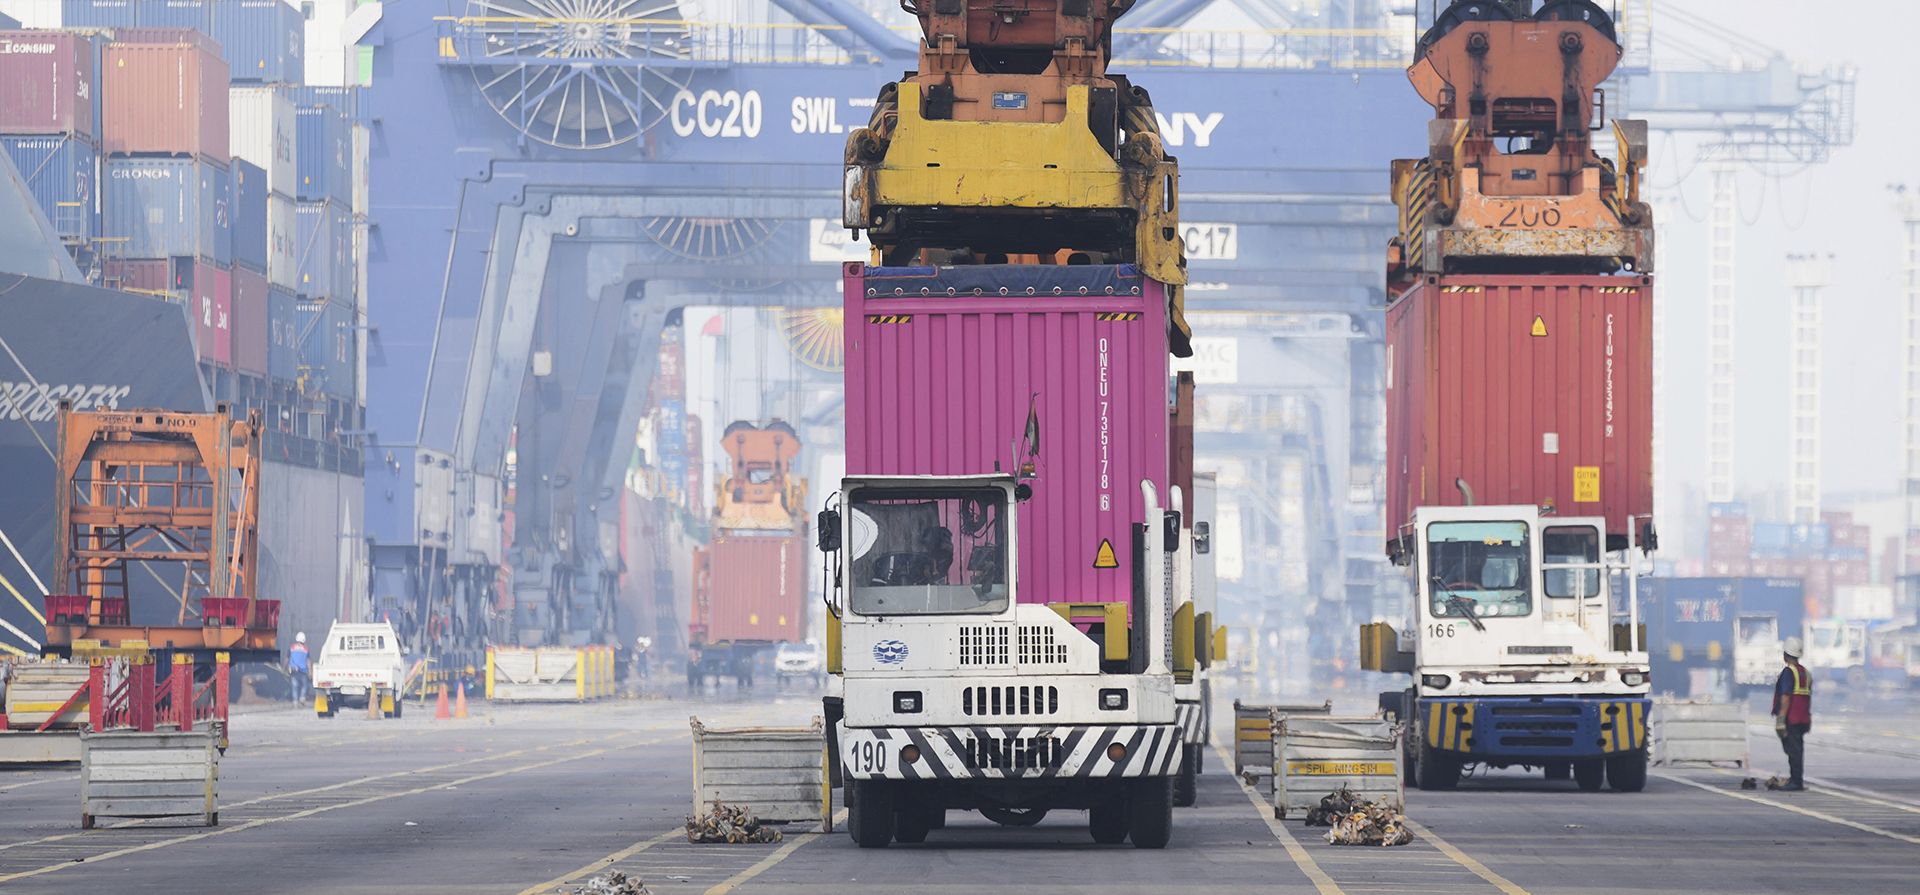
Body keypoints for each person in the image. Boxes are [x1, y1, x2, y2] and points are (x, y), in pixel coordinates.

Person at [1772, 636, 1813, 791]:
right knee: (1797, 749)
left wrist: (1781, 719)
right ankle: (1796, 779)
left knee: (1793, 750)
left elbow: (1786, 696)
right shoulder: (1805, 673)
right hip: (1803, 718)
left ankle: (1796, 782)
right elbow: (1807, 697)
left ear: (1785, 655)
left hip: (1792, 718)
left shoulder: (1789, 673)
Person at [289, 631, 311, 706]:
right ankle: (302, 698)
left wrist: (284, 667)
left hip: (293, 669)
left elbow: (287, 657)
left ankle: (295, 701)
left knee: (294, 686)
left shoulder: (292, 647)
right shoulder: (306, 649)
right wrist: (310, 671)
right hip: (303, 670)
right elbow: (308, 660)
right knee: (305, 685)